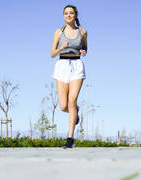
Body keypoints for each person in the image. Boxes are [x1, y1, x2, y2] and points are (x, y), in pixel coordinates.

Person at [51, 5, 88, 149]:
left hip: (77, 66)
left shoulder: (83, 32)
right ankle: (75, 113)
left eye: (71, 13)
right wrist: (61, 47)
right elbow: (52, 54)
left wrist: (84, 51)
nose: (68, 15)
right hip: (61, 66)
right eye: (66, 13)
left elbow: (85, 48)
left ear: (75, 15)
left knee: (72, 101)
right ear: (63, 16)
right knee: (63, 106)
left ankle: (70, 138)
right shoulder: (59, 32)